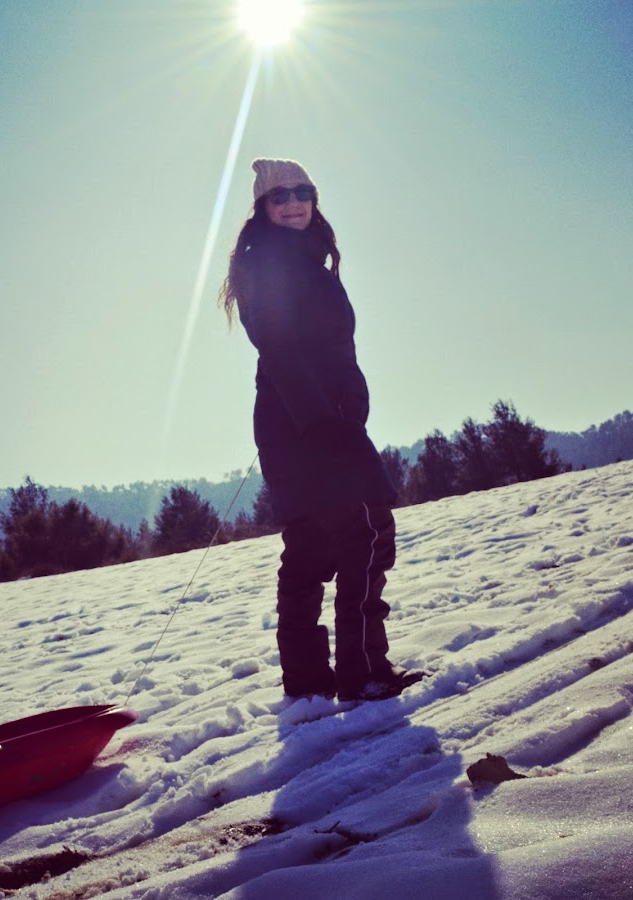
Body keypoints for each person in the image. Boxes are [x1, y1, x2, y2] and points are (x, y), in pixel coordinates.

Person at [219, 157, 422, 702]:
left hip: (299, 422)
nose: (293, 203)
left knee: (309, 544)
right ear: (263, 208)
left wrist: (349, 403)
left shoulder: (298, 261)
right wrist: (324, 422)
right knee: (368, 532)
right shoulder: (273, 265)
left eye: (302, 191)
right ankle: (364, 671)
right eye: (279, 196)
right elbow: (280, 350)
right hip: (310, 424)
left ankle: (308, 681)